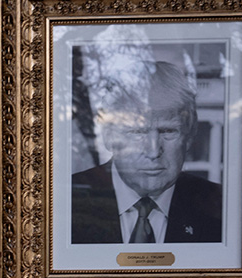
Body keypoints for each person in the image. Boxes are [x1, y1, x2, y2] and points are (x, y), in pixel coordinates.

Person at [70, 61, 222, 244]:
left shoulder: (222, 207)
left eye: (168, 131)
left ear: (189, 136)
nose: (153, 151)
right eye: (137, 132)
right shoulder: (65, 201)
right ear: (109, 136)